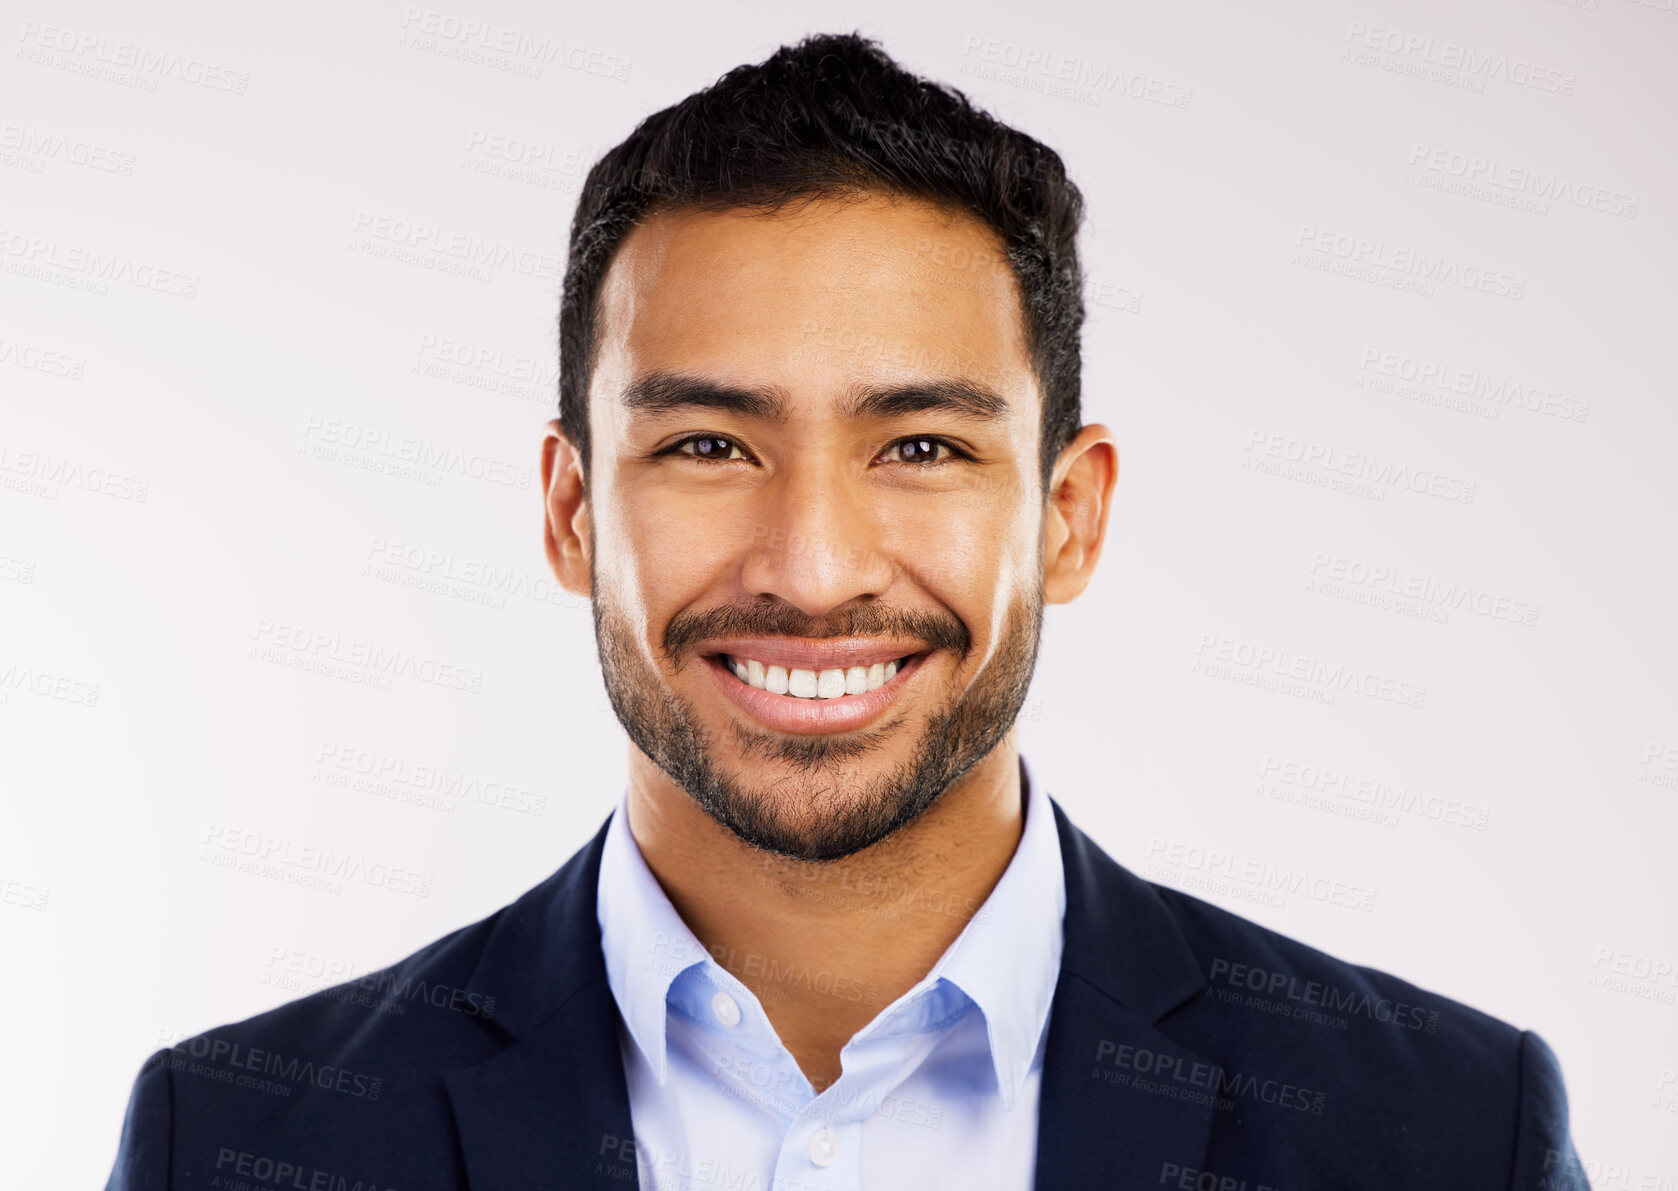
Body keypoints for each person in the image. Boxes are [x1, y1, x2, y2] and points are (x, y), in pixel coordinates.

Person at [106, 32, 1589, 1190]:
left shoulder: (1443, 1134)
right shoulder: (232, 1141)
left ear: (1068, 515)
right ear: (570, 514)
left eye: (922, 447)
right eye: (707, 446)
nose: (812, 570)